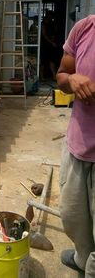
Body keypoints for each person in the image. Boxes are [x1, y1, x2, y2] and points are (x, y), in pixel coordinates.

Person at [56, 15, 95, 277]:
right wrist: (71, 81)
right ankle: (83, 258)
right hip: (77, 146)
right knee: (73, 218)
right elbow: (61, 75)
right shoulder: (85, 27)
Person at [40, 10, 58, 80]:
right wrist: (51, 42)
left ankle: (54, 75)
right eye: (50, 16)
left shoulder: (52, 23)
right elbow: (44, 35)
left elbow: (55, 32)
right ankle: (41, 76)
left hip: (51, 45)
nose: (51, 18)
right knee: (43, 60)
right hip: (44, 44)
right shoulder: (43, 23)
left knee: (52, 60)